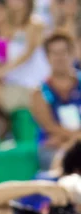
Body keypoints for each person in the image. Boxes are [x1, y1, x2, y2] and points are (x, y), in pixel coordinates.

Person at [31, 31, 81, 171]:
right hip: (54, 149)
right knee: (59, 161)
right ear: (47, 57)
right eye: (54, 53)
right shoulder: (39, 92)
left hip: (68, 143)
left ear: (72, 53)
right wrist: (75, 140)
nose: (60, 58)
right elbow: (50, 127)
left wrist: (73, 141)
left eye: (64, 52)